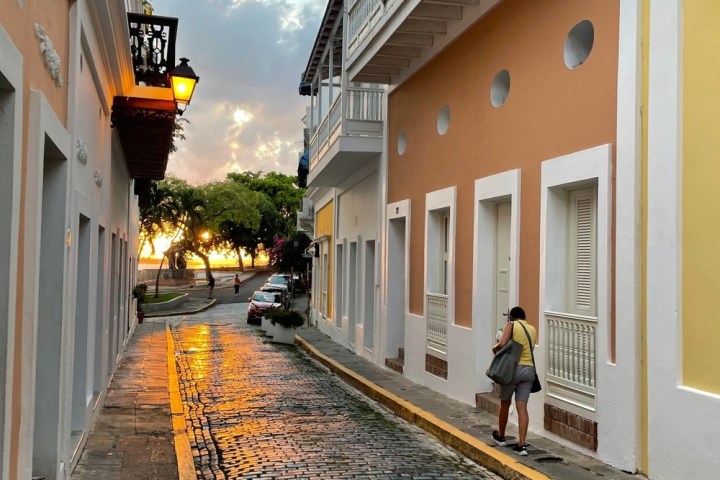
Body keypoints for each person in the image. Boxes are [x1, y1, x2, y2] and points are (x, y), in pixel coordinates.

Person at [491, 306, 537, 456]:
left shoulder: (512, 325)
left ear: (512, 317)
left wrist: (495, 349)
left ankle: (501, 436)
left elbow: (502, 343)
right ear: (524, 316)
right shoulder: (532, 329)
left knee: (505, 403)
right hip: (529, 370)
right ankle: (522, 445)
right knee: (522, 407)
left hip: (513, 370)